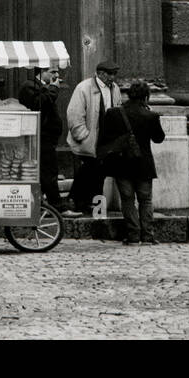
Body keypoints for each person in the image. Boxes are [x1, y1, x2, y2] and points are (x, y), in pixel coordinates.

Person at [98, 79, 166, 245]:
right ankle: (148, 236)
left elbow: (106, 137)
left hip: (122, 163)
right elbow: (159, 138)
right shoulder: (150, 115)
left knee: (127, 200)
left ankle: (133, 235)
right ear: (146, 97)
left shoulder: (114, 113)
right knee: (146, 200)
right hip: (143, 164)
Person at [65, 61, 122, 214]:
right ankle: (78, 201)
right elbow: (74, 114)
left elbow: (117, 110)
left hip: (106, 139)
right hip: (89, 139)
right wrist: (83, 135)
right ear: (100, 73)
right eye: (110, 74)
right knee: (90, 169)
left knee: (100, 172)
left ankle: (92, 206)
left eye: (114, 74)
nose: (113, 77)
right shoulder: (84, 87)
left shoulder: (115, 88)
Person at [18, 69, 64, 207]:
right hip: (40, 136)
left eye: (57, 72)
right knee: (49, 172)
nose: (56, 75)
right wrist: (54, 89)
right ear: (41, 71)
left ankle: (41, 204)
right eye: (52, 71)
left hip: (47, 137)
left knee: (46, 172)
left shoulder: (41, 86)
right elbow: (40, 104)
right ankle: (57, 207)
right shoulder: (30, 86)